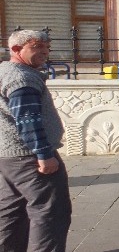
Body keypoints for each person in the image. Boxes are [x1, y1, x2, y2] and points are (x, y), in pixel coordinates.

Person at [0, 29, 72, 252]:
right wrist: (44, 154)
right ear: (16, 49)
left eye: (46, 47)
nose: (44, 52)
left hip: (8, 156)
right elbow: (28, 120)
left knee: (12, 209)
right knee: (50, 212)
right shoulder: (21, 78)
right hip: (29, 157)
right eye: (36, 47)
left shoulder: (5, 70)